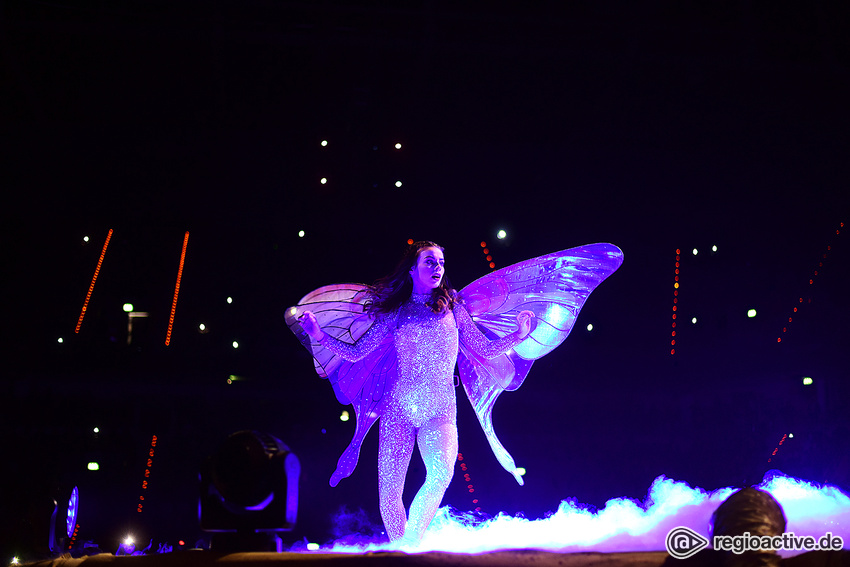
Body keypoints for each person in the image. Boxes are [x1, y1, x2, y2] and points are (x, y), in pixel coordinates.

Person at [299, 241, 534, 543]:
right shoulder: (395, 313)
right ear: (412, 269)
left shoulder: (452, 306)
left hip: (440, 408)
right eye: (429, 262)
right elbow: (356, 353)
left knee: (440, 475)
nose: (438, 268)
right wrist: (318, 334)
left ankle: (409, 547)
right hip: (399, 410)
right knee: (389, 494)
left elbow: (484, 349)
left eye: (441, 262)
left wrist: (518, 335)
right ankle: (403, 555)